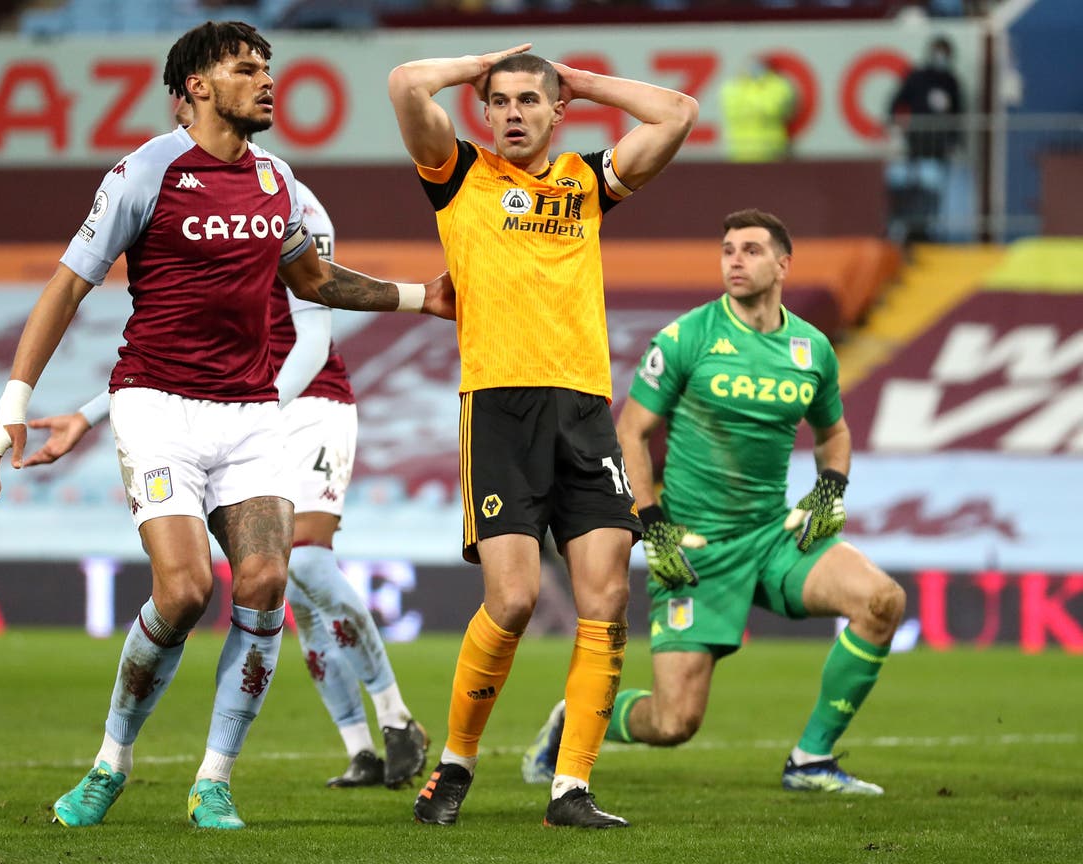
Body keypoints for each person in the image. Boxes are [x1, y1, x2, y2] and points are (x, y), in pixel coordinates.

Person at [0, 20, 450, 830]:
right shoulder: (144, 172)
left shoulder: (277, 181)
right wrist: (11, 406)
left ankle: (214, 780)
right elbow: (65, 288)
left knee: (266, 583)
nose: (267, 81)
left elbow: (315, 280)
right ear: (196, 86)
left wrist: (421, 297)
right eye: (246, 68)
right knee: (188, 588)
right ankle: (110, 762)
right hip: (157, 404)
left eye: (268, 67)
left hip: (249, 412)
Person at [23, 176, 430, 792]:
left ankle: (397, 718)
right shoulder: (183, 200)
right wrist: (88, 412)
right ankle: (360, 748)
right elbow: (174, 351)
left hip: (307, 400)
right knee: (288, 583)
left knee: (309, 566)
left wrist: (258, 408)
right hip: (231, 404)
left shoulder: (292, 201)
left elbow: (314, 341)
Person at [387, 45, 697, 828]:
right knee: (516, 597)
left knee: (605, 601)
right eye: (502, 101)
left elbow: (678, 114)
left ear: (557, 111)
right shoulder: (459, 175)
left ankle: (572, 788)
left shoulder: (585, 183)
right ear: (484, 112)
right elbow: (403, 83)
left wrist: (581, 82)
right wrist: (485, 62)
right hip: (499, 407)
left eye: (532, 100)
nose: (516, 113)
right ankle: (455, 764)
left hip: (586, 412)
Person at [523, 208, 906, 795]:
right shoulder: (686, 338)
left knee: (882, 601)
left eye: (751, 249)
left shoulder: (812, 348)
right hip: (695, 549)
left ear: (783, 264)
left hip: (775, 536)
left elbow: (834, 433)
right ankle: (570, 720)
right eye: (727, 248)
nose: (734, 259)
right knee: (674, 723)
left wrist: (831, 487)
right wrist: (652, 524)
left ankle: (811, 761)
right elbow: (630, 433)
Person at [886, 36, 964, 242]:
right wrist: (896, 127)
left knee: (934, 191)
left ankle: (927, 231)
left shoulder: (951, 81)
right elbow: (896, 102)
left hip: (939, 149)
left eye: (944, 53)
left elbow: (959, 112)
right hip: (917, 146)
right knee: (911, 189)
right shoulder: (917, 77)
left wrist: (956, 141)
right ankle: (909, 230)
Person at [719, 56, 795, 162]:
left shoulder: (778, 84)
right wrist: (756, 101)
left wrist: (748, 104)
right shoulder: (734, 85)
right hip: (739, 152)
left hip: (771, 151)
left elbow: (772, 110)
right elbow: (731, 109)